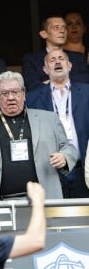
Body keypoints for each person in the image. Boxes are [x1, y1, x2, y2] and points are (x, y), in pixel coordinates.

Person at [0, 71, 78, 200]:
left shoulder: (49, 119)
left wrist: (64, 157)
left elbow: (69, 148)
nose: (11, 97)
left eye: (15, 92)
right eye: (5, 93)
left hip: (44, 198)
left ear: (24, 94)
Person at [26, 49, 89, 198]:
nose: (57, 62)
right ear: (45, 69)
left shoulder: (87, 92)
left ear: (69, 65)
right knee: (55, 218)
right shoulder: (32, 98)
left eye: (61, 58)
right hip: (50, 170)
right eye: (52, 60)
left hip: (83, 168)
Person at [21, 14, 89, 91]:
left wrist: (50, 82)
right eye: (56, 27)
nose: (62, 31)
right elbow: (32, 86)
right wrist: (66, 82)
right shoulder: (31, 59)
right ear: (44, 34)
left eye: (64, 27)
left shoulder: (78, 58)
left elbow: (84, 82)